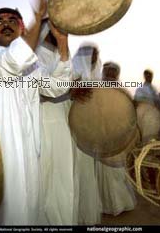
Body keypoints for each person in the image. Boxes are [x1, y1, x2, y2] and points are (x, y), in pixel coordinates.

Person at [0, 0, 71, 225]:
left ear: (20, 28)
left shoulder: (32, 65)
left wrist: (63, 44)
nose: (6, 25)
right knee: (2, 213)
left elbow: (57, 87)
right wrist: (39, 17)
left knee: (28, 207)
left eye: (12, 21)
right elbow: (12, 62)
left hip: (29, 149)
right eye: (0, 22)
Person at [36, 19, 77, 225]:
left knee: (61, 179)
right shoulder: (33, 55)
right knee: (42, 179)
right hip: (40, 121)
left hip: (60, 121)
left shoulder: (61, 54)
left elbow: (64, 87)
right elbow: (50, 88)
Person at [96, 62, 137, 216]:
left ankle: (119, 204)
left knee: (117, 171)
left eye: (112, 72)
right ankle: (105, 204)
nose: (109, 75)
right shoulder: (97, 90)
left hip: (118, 136)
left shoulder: (123, 92)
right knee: (103, 171)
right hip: (101, 134)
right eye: (107, 72)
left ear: (117, 74)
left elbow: (130, 113)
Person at [71, 43, 102, 225]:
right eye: (93, 53)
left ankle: (86, 215)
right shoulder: (73, 70)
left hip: (91, 128)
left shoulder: (95, 74)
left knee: (88, 171)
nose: (95, 57)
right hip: (75, 127)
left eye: (97, 54)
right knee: (76, 169)